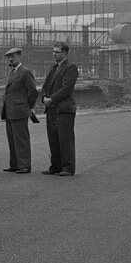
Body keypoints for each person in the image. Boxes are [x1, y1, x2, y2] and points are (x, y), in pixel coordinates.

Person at [40, 40, 79, 176]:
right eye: (53, 52)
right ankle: (55, 166)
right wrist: (44, 97)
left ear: (65, 53)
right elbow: (46, 86)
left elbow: (66, 89)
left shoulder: (70, 68)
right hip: (51, 109)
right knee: (53, 138)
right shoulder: (54, 68)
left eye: (57, 52)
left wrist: (52, 99)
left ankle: (68, 167)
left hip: (64, 109)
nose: (54, 54)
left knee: (65, 138)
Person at [0, 47, 38, 174]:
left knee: (21, 140)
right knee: (12, 140)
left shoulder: (25, 72)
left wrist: (27, 106)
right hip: (10, 111)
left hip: (20, 110)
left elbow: (32, 91)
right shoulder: (12, 72)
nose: (11, 59)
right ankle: (15, 164)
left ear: (19, 57)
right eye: (9, 57)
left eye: (13, 57)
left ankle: (24, 165)